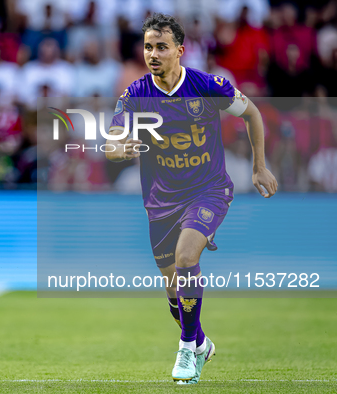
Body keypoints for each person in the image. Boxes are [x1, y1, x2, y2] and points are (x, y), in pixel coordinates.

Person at [105, 13, 277, 385]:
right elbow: (111, 143)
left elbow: (252, 114)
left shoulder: (208, 86)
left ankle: (186, 349)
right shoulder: (135, 94)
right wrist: (121, 149)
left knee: (187, 258)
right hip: (161, 200)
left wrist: (259, 166)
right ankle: (200, 341)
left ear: (180, 51)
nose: (153, 54)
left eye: (161, 47)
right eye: (148, 47)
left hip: (208, 189)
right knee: (173, 288)